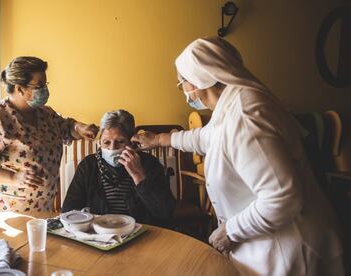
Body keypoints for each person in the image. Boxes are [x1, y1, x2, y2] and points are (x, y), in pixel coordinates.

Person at [131, 37, 344, 275]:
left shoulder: (245, 116)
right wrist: (160, 139)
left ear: (199, 81)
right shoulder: (231, 106)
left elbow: (281, 198)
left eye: (183, 83)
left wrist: (229, 231)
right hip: (267, 246)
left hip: (290, 251)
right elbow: (204, 137)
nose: (186, 91)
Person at [0, 56, 99, 212]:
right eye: (39, 85)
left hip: (43, 208)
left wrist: (79, 128)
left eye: (45, 84)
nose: (45, 90)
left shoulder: (45, 114)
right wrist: (13, 178)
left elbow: (67, 128)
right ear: (20, 88)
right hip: (6, 212)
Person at [62, 110, 175, 225]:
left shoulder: (149, 164)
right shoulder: (88, 166)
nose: (112, 148)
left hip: (141, 234)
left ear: (132, 142)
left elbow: (165, 213)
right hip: (99, 235)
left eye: (120, 141)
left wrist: (140, 178)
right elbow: (68, 210)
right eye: (106, 142)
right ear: (99, 143)